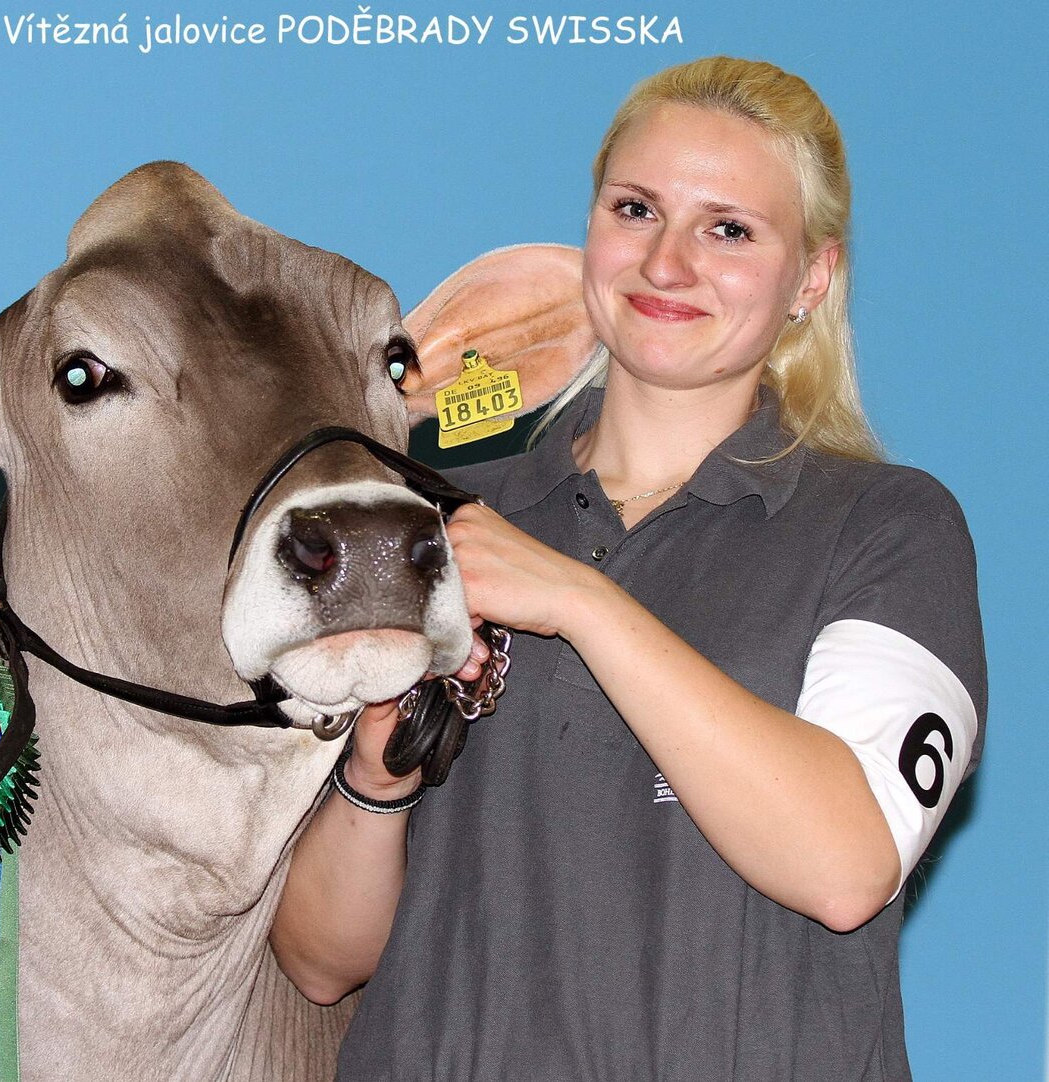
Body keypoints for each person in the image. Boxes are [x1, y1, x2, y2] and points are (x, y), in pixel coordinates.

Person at [269, 56, 986, 1081]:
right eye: (636, 209)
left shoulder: (888, 527)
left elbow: (844, 866)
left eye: (728, 229)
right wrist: (378, 773)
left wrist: (576, 598)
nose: (665, 262)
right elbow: (319, 961)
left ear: (812, 277)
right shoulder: (427, 521)